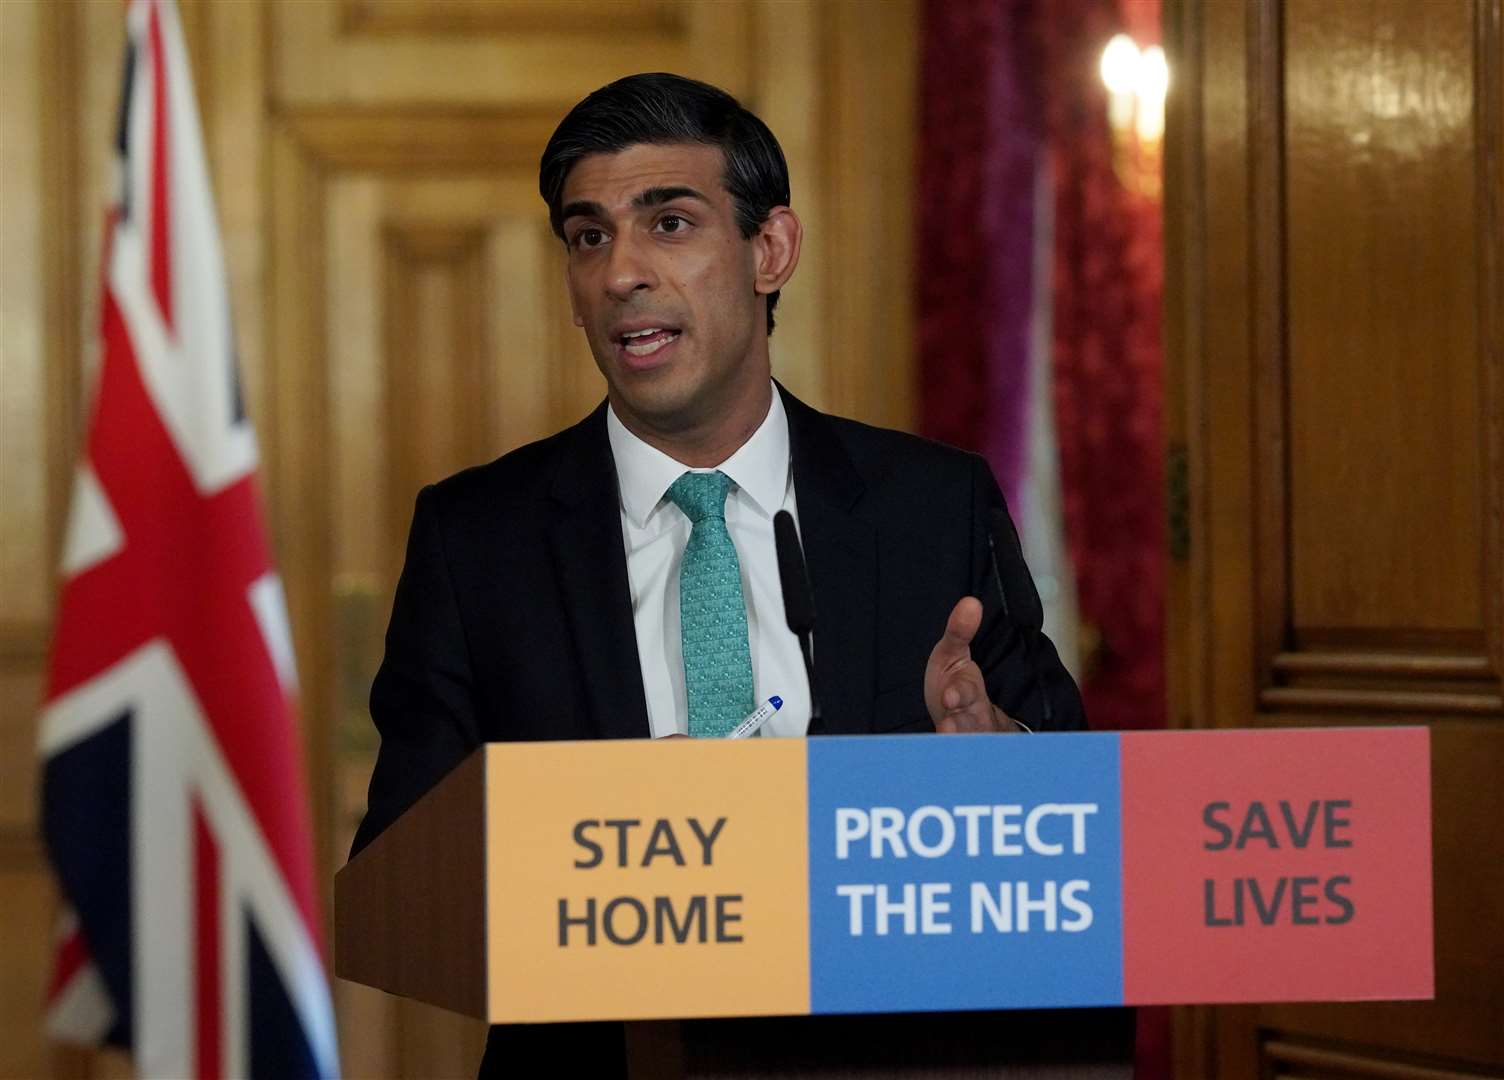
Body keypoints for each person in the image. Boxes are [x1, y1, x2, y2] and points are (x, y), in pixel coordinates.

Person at [351, 72, 1085, 1078]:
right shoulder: (479, 539)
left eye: (670, 222)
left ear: (769, 251)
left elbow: (1064, 835)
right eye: (588, 236)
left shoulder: (931, 507)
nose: (620, 273)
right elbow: (405, 876)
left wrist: (998, 762)